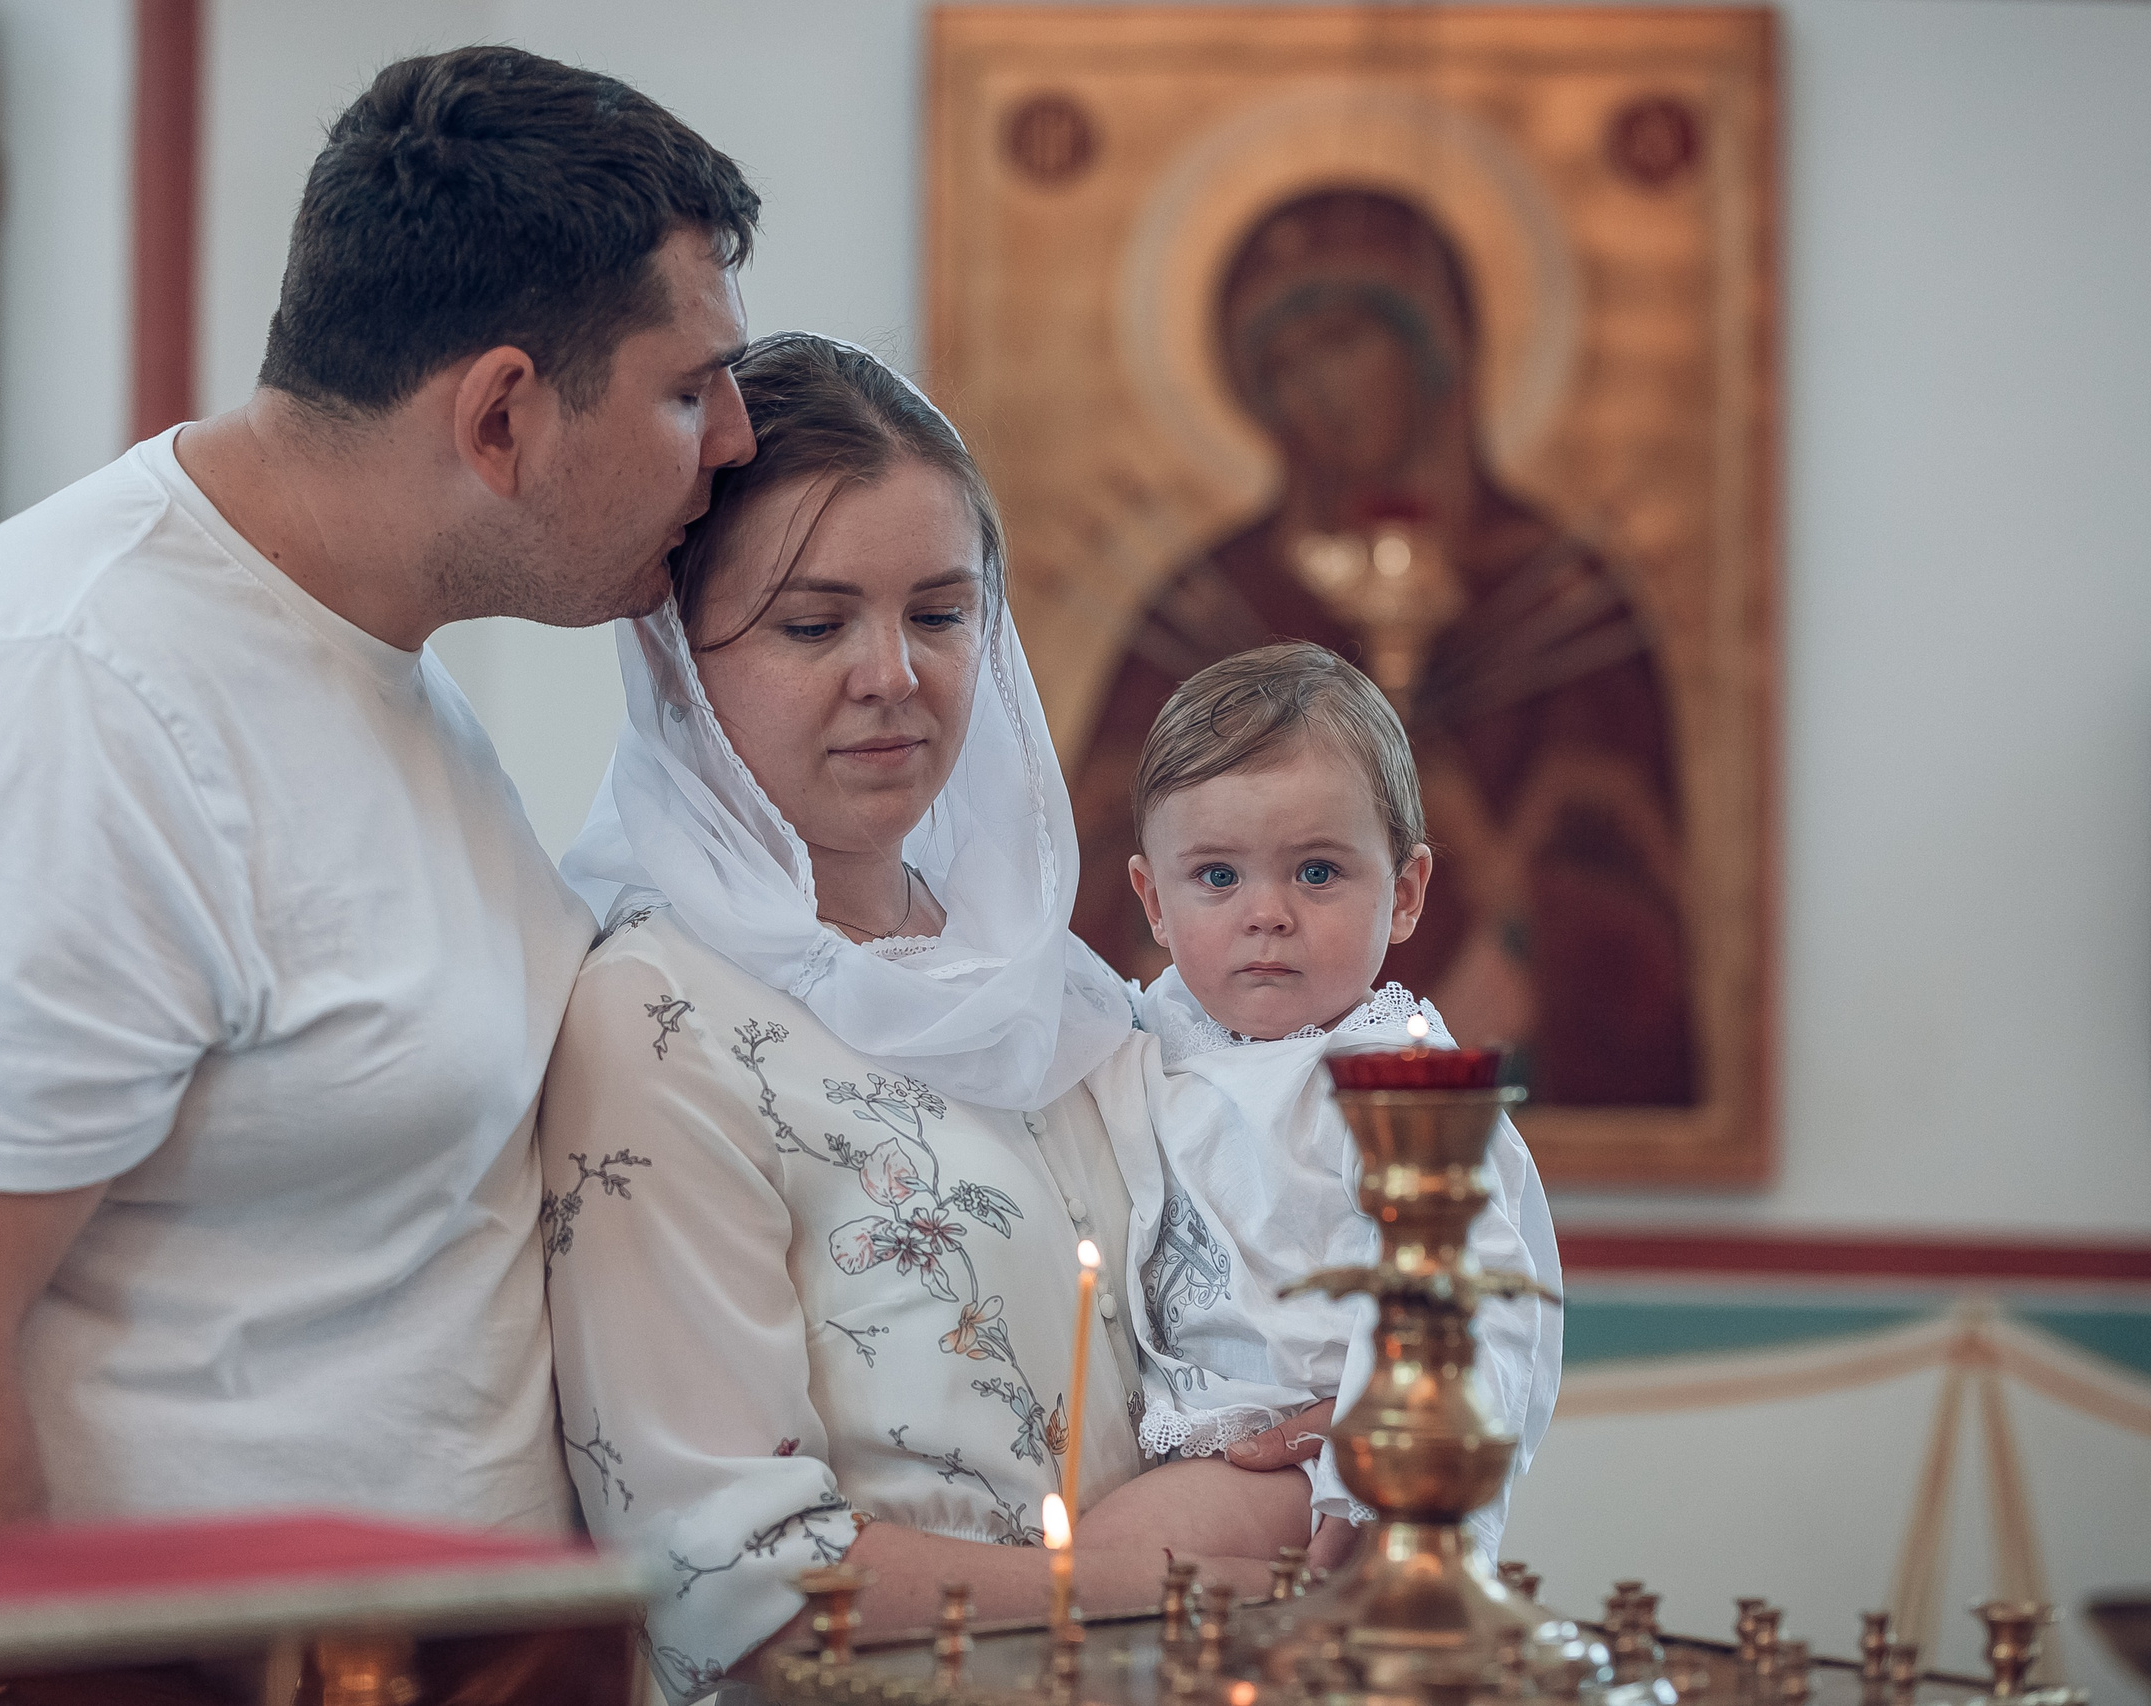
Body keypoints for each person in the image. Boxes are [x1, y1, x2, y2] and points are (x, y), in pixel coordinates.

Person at [0, 47, 760, 1533]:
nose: (733, 441)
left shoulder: (379, 659)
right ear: (499, 417)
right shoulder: (61, 701)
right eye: (690, 390)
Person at [544, 335, 1315, 1701]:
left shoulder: (1053, 992)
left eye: (942, 613)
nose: (893, 673)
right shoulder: (656, 1019)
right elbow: (727, 1583)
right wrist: (1152, 1569)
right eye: (812, 622)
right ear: (678, 658)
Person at [1069, 186, 1692, 1107]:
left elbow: (1637, 895)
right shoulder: (1212, 604)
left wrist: (1528, 950)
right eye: (1282, 365)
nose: (1316, 392)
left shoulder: (1560, 601)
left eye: (1342, 343)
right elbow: (1098, 864)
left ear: (1434, 349)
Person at [1078, 642, 1562, 1566]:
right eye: (1218, 877)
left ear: (1407, 892)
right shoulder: (1139, 1037)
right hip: (1167, 1431)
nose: (1267, 913)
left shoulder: (1398, 1086)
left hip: (1317, 1468)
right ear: (1152, 900)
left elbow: (1483, 1309)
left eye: (1316, 872)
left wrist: (1379, 1479)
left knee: (1106, 1569)